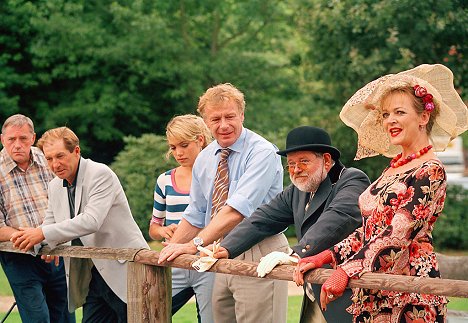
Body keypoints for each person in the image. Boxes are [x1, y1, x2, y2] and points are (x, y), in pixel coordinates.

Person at [295, 64, 468, 322]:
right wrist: (327, 256)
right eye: (386, 114)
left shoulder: (430, 170)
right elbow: (369, 230)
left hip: (410, 292)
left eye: (399, 112)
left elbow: (397, 235)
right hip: (374, 288)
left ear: (423, 117)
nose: (390, 121)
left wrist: (346, 271)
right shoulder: (392, 168)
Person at [158, 83, 290, 323]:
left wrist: (195, 244)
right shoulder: (205, 157)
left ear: (242, 115)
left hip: (259, 251)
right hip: (219, 252)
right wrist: (166, 252)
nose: (224, 125)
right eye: (215, 119)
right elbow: (196, 212)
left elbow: (236, 211)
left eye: (230, 116)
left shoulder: (262, 152)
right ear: (206, 122)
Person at [213, 126, 370, 322]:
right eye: (291, 164)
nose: (296, 170)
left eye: (304, 162)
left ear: (327, 160)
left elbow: (338, 218)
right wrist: (225, 248)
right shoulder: (298, 190)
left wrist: (296, 254)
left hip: (348, 294)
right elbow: (263, 218)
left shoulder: (352, 179)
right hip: (316, 290)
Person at [10, 126, 149, 322]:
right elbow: (50, 223)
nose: (55, 164)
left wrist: (41, 233)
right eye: (49, 159)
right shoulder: (55, 185)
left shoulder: (101, 173)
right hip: (91, 278)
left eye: (60, 156)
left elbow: (91, 221)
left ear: (76, 151)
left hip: (125, 272)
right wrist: (39, 242)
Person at [0, 114, 74, 323]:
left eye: (23, 138)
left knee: (64, 317)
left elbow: (66, 202)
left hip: (57, 252)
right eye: (11, 139)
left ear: (33, 138)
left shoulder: (47, 159)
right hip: (18, 255)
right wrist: (35, 238)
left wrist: (51, 238)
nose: (17, 145)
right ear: (2, 140)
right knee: (37, 318)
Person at [149, 114, 213, 322]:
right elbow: (154, 226)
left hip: (208, 263)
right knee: (151, 315)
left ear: (200, 140)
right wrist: (163, 231)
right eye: (173, 147)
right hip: (174, 263)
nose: (178, 152)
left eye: (184, 145)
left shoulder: (217, 176)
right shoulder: (165, 180)